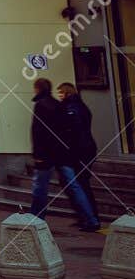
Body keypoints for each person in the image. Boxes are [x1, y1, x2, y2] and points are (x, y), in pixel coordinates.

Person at [29, 78, 99, 231]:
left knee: (40, 187)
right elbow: (67, 130)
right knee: (74, 185)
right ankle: (91, 219)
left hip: (47, 154)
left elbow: (38, 131)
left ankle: (35, 217)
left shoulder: (41, 105)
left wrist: (38, 153)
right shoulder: (58, 105)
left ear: (38, 89)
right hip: (62, 153)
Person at [56, 81, 101, 225]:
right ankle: (87, 215)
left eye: (61, 93)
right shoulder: (80, 106)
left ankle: (90, 217)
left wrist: (71, 151)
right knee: (80, 182)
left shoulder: (72, 109)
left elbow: (74, 132)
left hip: (81, 151)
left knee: (80, 183)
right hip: (86, 149)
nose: (59, 96)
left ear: (68, 93)